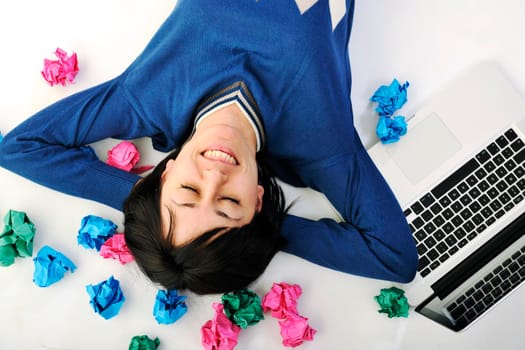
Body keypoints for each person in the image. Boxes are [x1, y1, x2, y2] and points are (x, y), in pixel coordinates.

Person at [0, 0, 418, 294]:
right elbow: (394, 258)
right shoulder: (321, 143)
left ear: (165, 174)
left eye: (188, 192)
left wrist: (143, 205)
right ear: (257, 202)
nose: (214, 176)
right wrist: (260, 233)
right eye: (227, 205)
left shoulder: (148, 97)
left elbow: (18, 148)